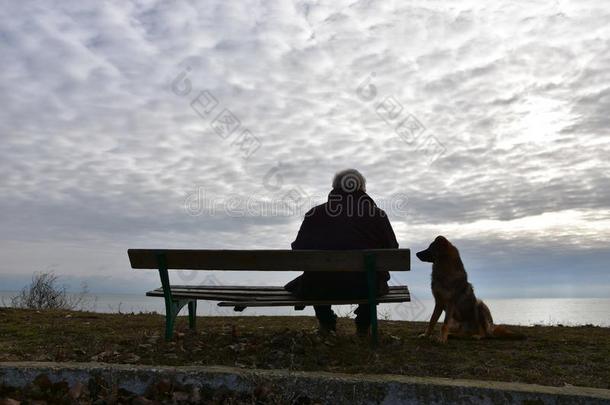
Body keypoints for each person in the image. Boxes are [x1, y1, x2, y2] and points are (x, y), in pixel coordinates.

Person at [284, 169, 399, 336]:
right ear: (362, 188)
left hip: (321, 288)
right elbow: (392, 250)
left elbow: (298, 249)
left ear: (334, 187)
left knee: (317, 275)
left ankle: (327, 323)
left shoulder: (315, 214)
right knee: (371, 275)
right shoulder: (377, 215)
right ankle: (363, 327)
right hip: (366, 288)